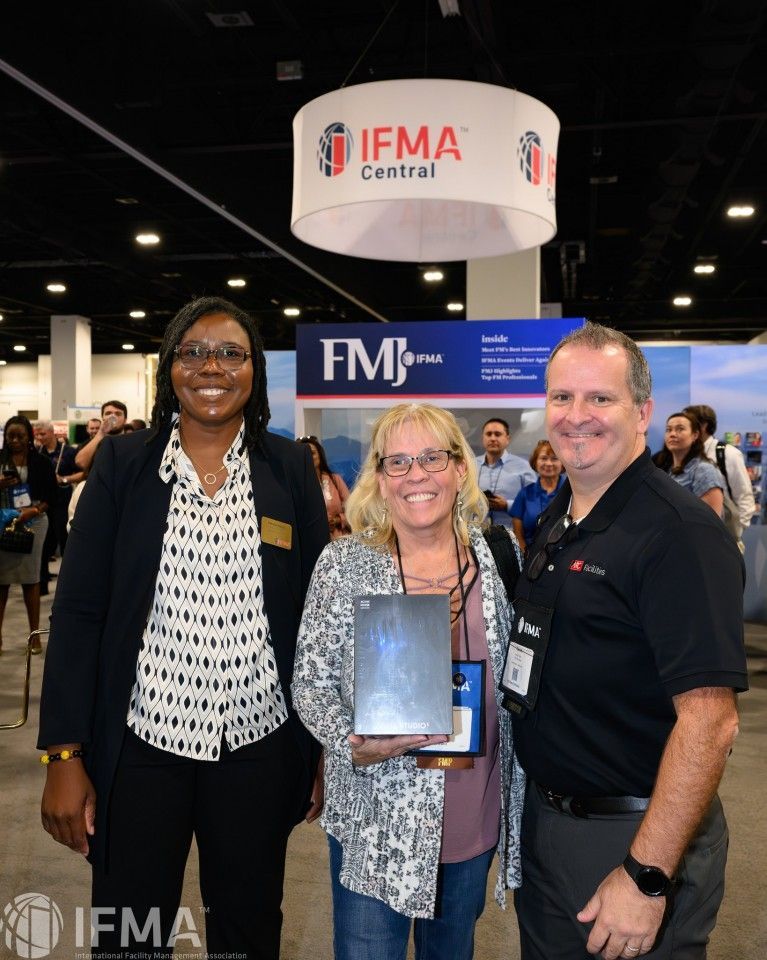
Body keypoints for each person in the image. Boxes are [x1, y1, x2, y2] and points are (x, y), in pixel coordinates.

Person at [38, 296, 328, 960]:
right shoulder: (121, 466)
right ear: (169, 366)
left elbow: (315, 619)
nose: (212, 366)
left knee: (247, 930)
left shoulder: (286, 469)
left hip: (258, 743)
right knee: (130, 936)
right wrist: (63, 754)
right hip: (142, 745)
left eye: (231, 352)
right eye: (193, 351)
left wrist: (318, 750)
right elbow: (79, 614)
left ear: (252, 370)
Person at [510, 322, 747, 960]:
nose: (576, 416)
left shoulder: (679, 535)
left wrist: (645, 875)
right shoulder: (565, 513)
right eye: (562, 398)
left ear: (641, 411)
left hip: (634, 837)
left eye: (600, 399)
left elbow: (711, 722)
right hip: (550, 824)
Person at [293, 402, 525, 960]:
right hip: (377, 815)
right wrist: (352, 740)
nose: (416, 475)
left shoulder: (499, 555)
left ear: (460, 468)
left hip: (473, 809)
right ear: (378, 477)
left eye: (431, 458)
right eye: (397, 462)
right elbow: (309, 681)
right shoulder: (343, 564)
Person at [0, 416, 56, 655]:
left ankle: (34, 636)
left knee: (31, 578)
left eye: (20, 436)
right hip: (4, 521)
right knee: (1, 581)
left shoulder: (41, 461)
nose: (15, 441)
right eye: (10, 436)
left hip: (34, 521)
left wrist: (32, 511)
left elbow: (51, 496)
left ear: (29, 437)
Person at [683, 404, 756, 545]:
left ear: (703, 426)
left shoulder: (728, 453)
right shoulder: (682, 455)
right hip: (692, 538)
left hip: (725, 539)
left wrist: (735, 533)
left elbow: (745, 496)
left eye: (688, 423)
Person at [34, 420, 85, 594]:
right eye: (37, 434)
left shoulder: (69, 452)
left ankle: (68, 584)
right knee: (43, 544)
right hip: (43, 501)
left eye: (43, 434)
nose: (40, 437)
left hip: (63, 499)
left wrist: (64, 479)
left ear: (52, 432)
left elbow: (82, 473)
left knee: (64, 539)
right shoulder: (37, 453)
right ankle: (41, 584)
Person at [652, 411, 724, 518]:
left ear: (695, 435)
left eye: (680, 429)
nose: (672, 434)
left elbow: (712, 521)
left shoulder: (704, 470)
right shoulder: (669, 469)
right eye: (668, 430)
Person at [475, 417, 536, 528]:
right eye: (488, 434)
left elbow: (534, 502)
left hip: (511, 536)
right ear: (482, 438)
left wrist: (507, 505)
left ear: (507, 438)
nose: (493, 438)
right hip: (476, 536)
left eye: (497, 434)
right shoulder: (470, 465)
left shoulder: (523, 466)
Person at [509, 439, 565, 552]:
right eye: (544, 458)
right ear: (535, 462)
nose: (549, 463)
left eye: (554, 458)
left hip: (563, 555)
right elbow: (518, 534)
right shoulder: (524, 493)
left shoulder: (572, 493)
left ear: (563, 463)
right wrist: (526, 555)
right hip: (529, 555)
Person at [297, 435, 351, 540]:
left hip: (338, 542)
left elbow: (353, 510)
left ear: (320, 455)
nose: (309, 457)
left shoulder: (335, 480)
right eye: (305, 454)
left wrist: (338, 520)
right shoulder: (296, 485)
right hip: (309, 542)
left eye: (312, 453)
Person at [74, 400, 129, 472]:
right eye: (108, 413)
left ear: (125, 420)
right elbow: (80, 463)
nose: (112, 417)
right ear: (103, 418)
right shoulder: (93, 443)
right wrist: (101, 433)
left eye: (118, 414)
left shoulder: (132, 442)